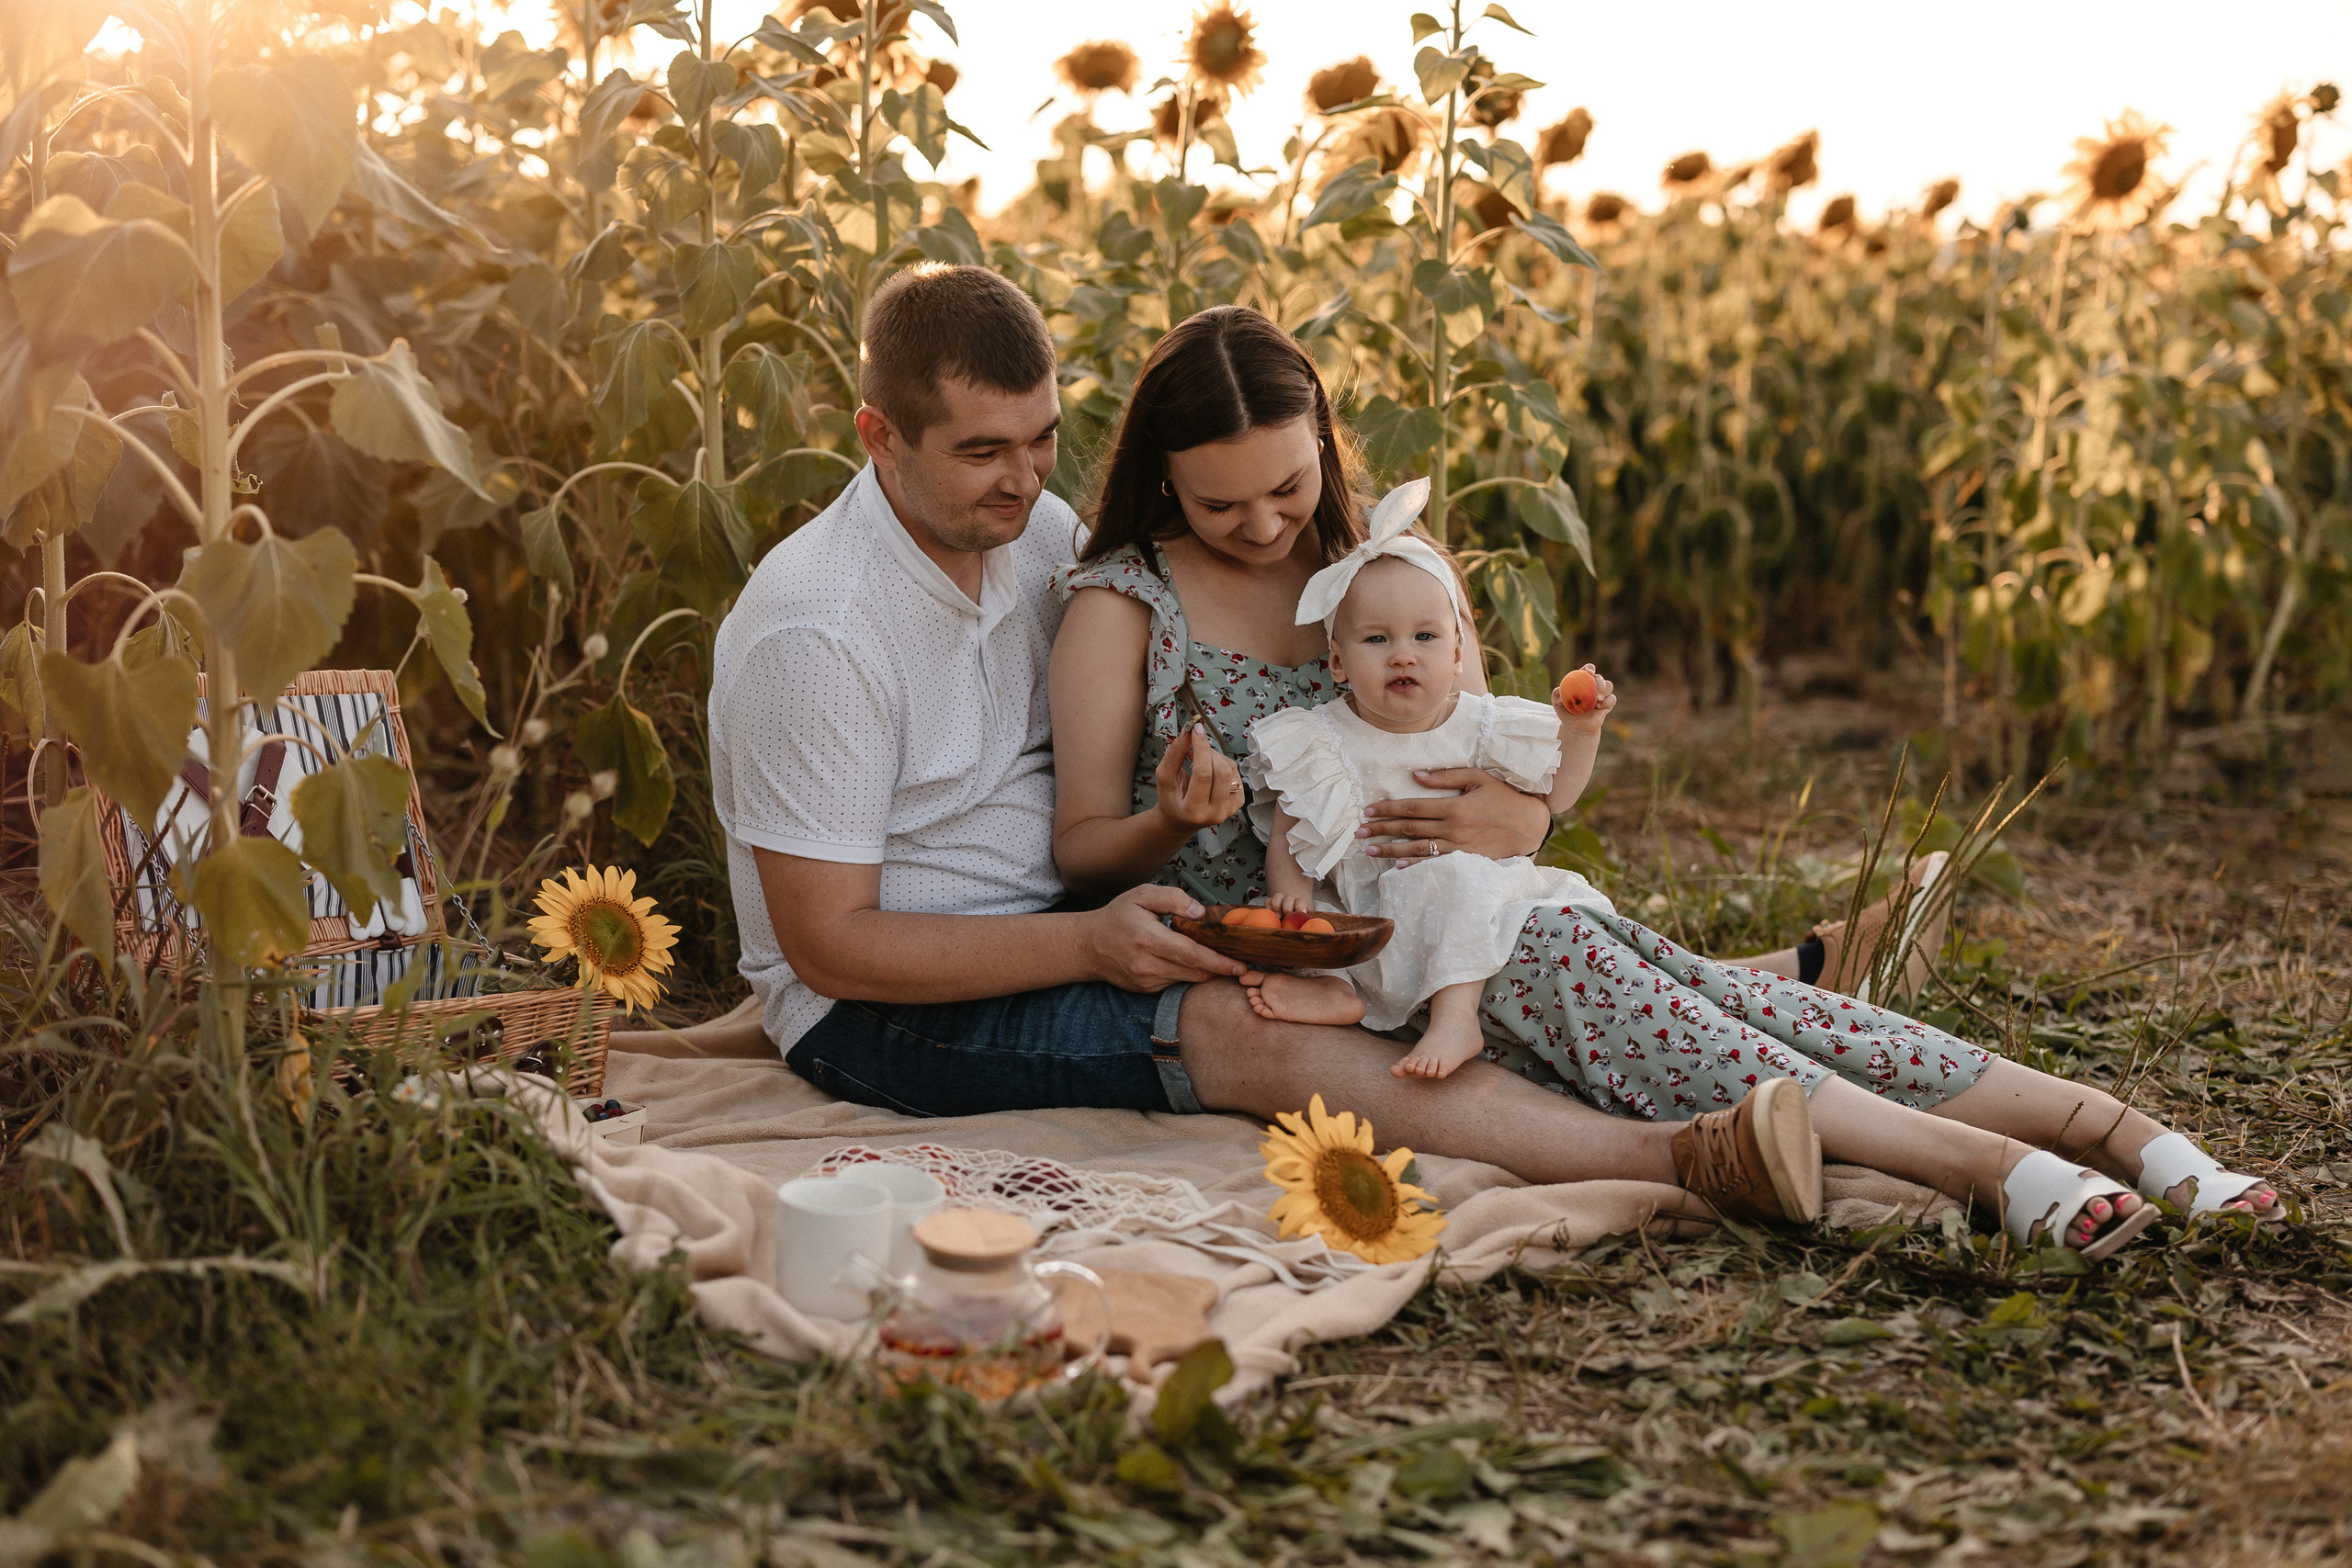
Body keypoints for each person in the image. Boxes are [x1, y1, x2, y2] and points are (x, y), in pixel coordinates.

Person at [1047, 302, 2284, 1260]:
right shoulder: (1125, 608)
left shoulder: (1382, 572)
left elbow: (1507, 760)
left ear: (1325, 443)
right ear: (1162, 474)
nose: (1266, 524)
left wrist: (1517, 807)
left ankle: (2120, 1136)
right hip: (1326, 963)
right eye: (1223, 503)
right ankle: (2018, 1159)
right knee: (1724, 1032)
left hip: (1504, 906)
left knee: (1779, 1028)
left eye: (1290, 486)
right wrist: (1168, 815)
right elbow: (1081, 849)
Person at [707, 263, 1821, 1235]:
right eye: (982, 451)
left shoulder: (1027, 529)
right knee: (1251, 1027)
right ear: (878, 436)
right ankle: (1682, 1158)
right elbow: (830, 952)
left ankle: (1758, 995)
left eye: (1044, 437)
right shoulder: (817, 632)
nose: (1028, 475)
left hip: (1060, 922)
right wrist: (1093, 946)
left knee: (1381, 951)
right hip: (886, 1009)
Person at [1238, 475, 1625, 1083]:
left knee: (1455, 877)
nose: (1403, 654)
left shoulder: (1480, 725)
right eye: (1376, 639)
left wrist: (1582, 733)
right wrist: (1284, 885)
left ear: (1456, 655)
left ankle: (1456, 1014)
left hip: (1465, 899)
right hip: (1374, 908)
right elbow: (1292, 821)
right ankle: (1341, 993)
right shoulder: (1323, 736)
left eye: (1425, 637)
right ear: (1338, 661)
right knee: (1322, 916)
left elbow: (1557, 796)